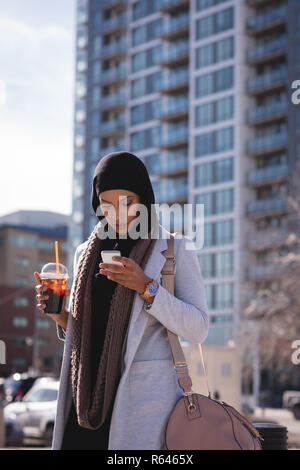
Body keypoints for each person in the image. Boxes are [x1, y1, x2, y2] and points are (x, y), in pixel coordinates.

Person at [34, 151, 209, 450]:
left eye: (127, 202)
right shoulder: (84, 254)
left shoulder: (174, 248)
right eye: (106, 204)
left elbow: (199, 327)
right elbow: (91, 332)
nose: (117, 212)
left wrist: (146, 287)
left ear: (144, 200)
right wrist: (62, 317)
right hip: (85, 402)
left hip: (141, 409)